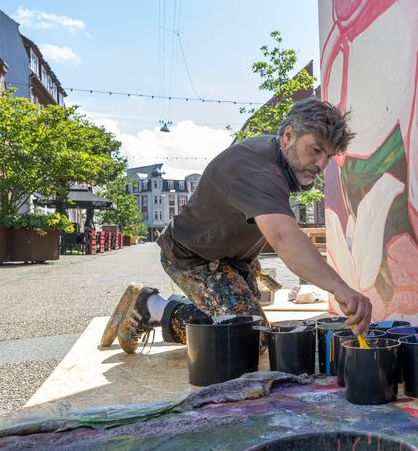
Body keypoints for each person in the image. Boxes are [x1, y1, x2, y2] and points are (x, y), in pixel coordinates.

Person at [100, 99, 372, 353]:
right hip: (192, 256)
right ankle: (151, 306)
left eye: (328, 155)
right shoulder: (257, 170)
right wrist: (341, 289)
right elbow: (284, 237)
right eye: (315, 150)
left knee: (242, 322)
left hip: (230, 258)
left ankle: (170, 308)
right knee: (251, 338)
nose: (322, 164)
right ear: (288, 135)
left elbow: (256, 218)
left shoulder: (280, 159)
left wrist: (247, 252)